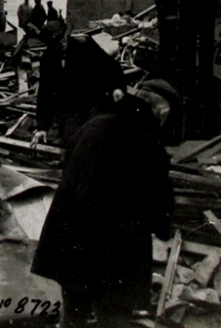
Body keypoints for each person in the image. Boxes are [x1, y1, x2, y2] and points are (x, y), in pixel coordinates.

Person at [31, 79, 178, 328]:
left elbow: (69, 173)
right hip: (115, 256)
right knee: (114, 319)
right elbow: (157, 204)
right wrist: (164, 227)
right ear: (161, 112)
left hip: (71, 247)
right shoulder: (148, 143)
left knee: (74, 318)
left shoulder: (93, 126)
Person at [31, 31, 128, 148]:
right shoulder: (48, 59)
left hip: (95, 100)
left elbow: (111, 66)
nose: (61, 44)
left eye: (62, 39)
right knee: (73, 141)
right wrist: (42, 127)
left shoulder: (84, 45)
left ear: (66, 35)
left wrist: (117, 87)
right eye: (55, 42)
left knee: (99, 136)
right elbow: (45, 94)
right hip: (72, 107)